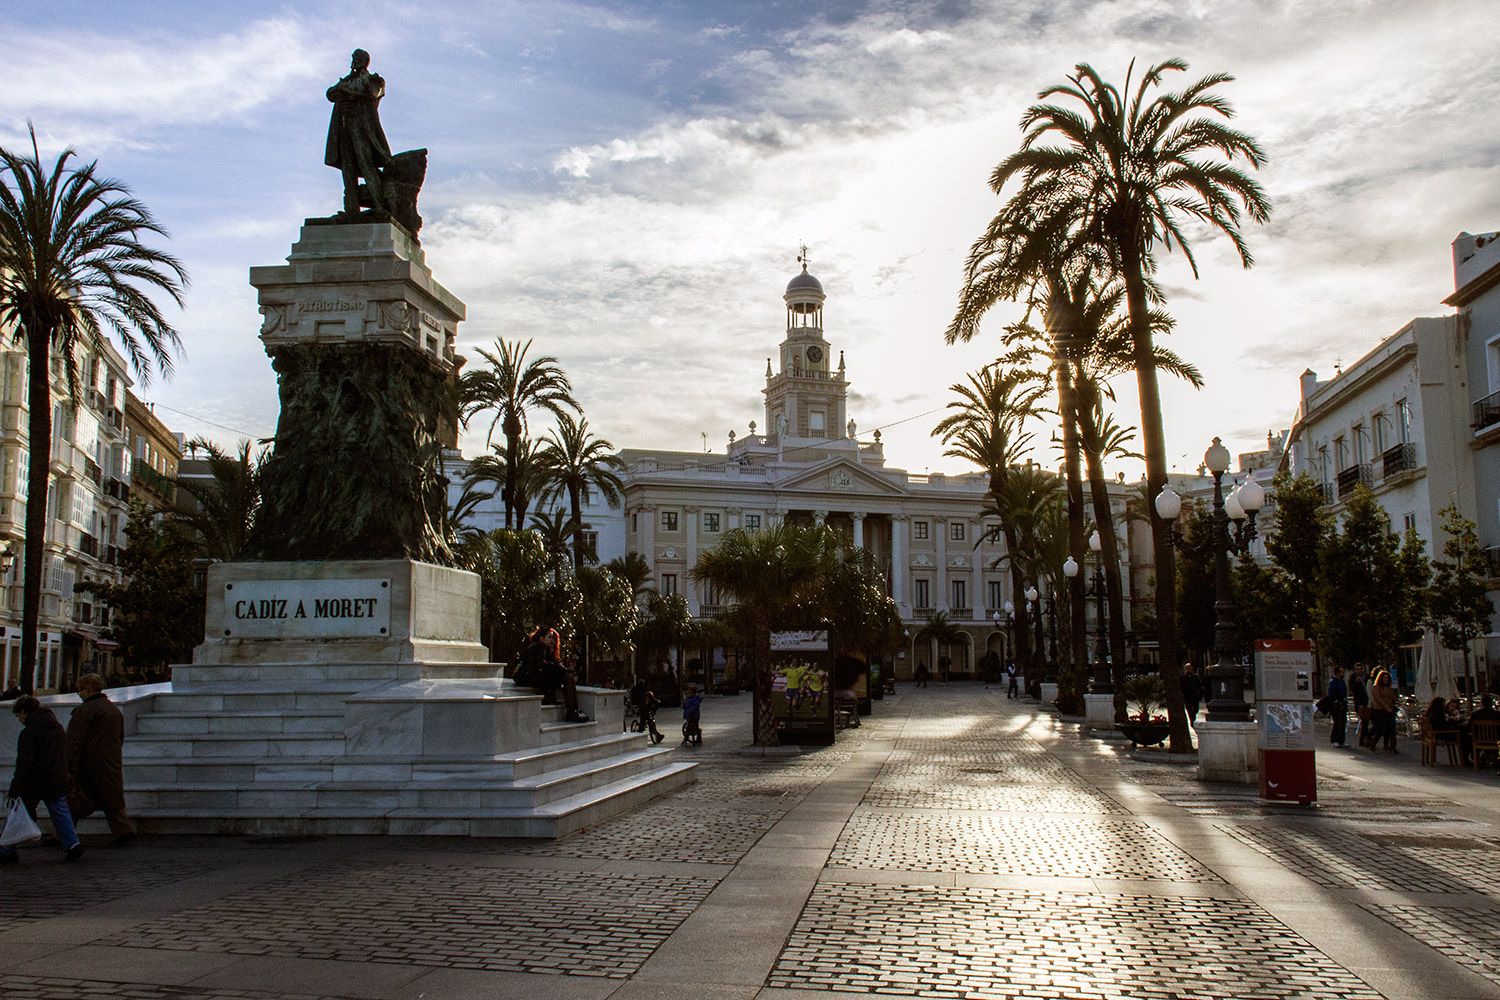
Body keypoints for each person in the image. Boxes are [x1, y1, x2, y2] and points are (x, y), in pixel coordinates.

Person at [3, 696, 82, 863]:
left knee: (19, 812)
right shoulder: (57, 728)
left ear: (24, 712)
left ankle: (6, 847)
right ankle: (73, 843)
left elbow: (25, 763)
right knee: (59, 809)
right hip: (56, 777)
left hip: (34, 781)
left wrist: (16, 786)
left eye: (18, 715)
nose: (18, 719)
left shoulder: (29, 733)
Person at [65, 674, 135, 846]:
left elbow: (74, 742)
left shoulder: (84, 711)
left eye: (80, 690)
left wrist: (69, 766)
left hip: (88, 764)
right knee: (112, 799)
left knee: (74, 799)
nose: (79, 694)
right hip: (110, 761)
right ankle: (123, 830)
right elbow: (120, 737)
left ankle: (63, 833)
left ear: (88, 690)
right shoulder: (113, 710)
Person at [326, 49, 394, 215]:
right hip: (343, 127)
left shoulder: (374, 79)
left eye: (358, 58)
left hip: (363, 128)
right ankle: (351, 209)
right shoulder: (347, 80)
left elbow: (372, 92)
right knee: (347, 167)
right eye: (354, 57)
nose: (354, 60)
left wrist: (346, 90)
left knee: (366, 163)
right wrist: (347, 88)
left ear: (365, 61)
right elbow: (331, 94)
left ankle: (380, 206)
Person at [1425, 696, 1472, 766]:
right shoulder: (1438, 714)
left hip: (1435, 734)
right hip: (1441, 735)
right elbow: (1444, 725)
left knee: (1464, 735)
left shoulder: (1432, 713)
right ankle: (1466, 759)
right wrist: (1454, 721)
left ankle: (1466, 759)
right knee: (1464, 736)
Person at [1369, 669, 1398, 753]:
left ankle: (1393, 746)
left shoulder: (1389, 688)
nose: (1386, 679)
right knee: (1382, 727)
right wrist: (1386, 707)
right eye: (1384, 678)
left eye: (1387, 678)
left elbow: (1392, 698)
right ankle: (1373, 743)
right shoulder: (1376, 687)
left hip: (1390, 710)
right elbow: (1378, 699)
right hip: (1379, 710)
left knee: (1392, 728)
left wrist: (1393, 704)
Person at [1325, 666, 1349, 748]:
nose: (1343, 674)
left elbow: (1344, 693)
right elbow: (1331, 695)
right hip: (1335, 706)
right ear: (1337, 673)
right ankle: (1334, 739)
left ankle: (1341, 740)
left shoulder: (1342, 682)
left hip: (1343, 704)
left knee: (1343, 722)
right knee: (1338, 722)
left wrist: (1344, 701)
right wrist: (1336, 702)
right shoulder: (1333, 682)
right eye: (1341, 672)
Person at [1349, 664, 1371, 748]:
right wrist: (1355, 682)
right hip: (1360, 704)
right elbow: (1352, 690)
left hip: (1368, 702)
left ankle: (1366, 739)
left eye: (1360, 669)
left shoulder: (1367, 677)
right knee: (1365, 721)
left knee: (1368, 722)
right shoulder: (1353, 678)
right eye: (1357, 669)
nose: (1359, 671)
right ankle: (1363, 740)